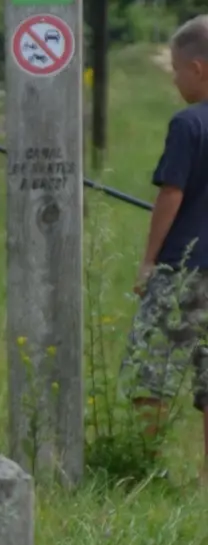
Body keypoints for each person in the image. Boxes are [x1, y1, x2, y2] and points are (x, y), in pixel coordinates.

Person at [126, 13, 208, 480]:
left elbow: (171, 194)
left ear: (197, 68)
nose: (175, 79)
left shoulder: (187, 124)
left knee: (151, 369)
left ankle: (143, 467)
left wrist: (148, 260)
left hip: (184, 269)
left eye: (177, 70)